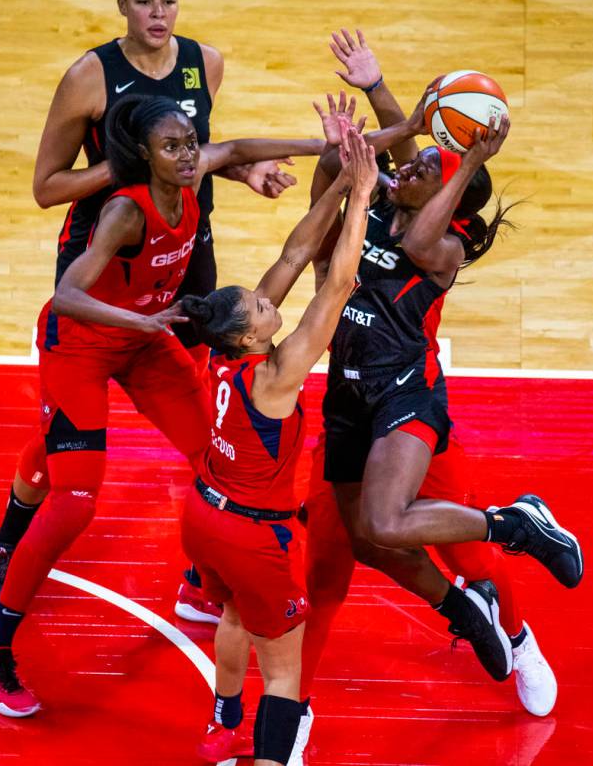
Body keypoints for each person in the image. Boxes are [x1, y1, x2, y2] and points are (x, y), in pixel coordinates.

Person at [0, 94, 325, 719]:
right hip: (80, 345)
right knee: (75, 500)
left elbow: (239, 150)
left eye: (190, 143)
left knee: (215, 457)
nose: (188, 155)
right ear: (142, 155)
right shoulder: (124, 214)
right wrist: (146, 318)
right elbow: (69, 295)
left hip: (143, 341)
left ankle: (203, 586)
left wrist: (342, 149)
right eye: (172, 147)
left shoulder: (188, 179)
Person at [291, 33, 583, 760]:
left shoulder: (440, 246)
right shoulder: (387, 198)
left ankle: (518, 635)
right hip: (348, 403)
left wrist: (466, 155)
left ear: (447, 195)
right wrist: (383, 92)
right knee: (338, 555)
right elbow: (404, 150)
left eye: (427, 169)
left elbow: (425, 209)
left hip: (411, 405)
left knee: (464, 552)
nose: (410, 168)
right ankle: (293, 703)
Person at [0, 0, 295, 620]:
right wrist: (126, 169)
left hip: (183, 257)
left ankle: (206, 573)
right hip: (107, 257)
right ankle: (11, 539)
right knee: (65, 431)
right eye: (143, 1)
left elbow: (196, 152)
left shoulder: (204, 63)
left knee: (211, 430)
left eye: (168, 0)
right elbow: (47, 187)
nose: (158, 13)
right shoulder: (89, 76)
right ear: (121, 5)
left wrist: (247, 170)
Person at [179, 119, 378, 766]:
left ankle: (221, 717)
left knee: (236, 615)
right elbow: (338, 284)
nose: (270, 306)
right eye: (261, 310)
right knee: (287, 673)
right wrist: (364, 197)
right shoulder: (276, 375)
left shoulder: (223, 353)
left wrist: (339, 182)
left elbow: (295, 256)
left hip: (204, 516)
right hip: (252, 533)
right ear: (250, 337)